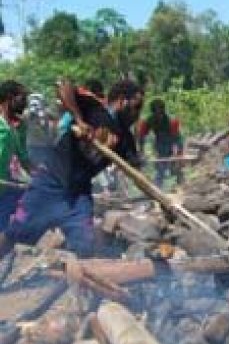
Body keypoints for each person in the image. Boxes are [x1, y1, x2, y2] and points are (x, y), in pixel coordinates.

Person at [1, 80, 144, 258]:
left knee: (84, 243)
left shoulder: (126, 140)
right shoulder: (93, 107)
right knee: (15, 234)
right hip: (49, 183)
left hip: (78, 194)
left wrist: (162, 200)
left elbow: (138, 173)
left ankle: (73, 281)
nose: (138, 114)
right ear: (123, 100)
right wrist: (79, 119)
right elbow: (63, 85)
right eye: (137, 107)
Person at [0, 81, 31, 231]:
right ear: (9, 98)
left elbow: (24, 158)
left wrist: (42, 178)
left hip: (4, 187)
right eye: (23, 99)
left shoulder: (12, 128)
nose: (25, 104)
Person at [138, 98, 184, 187]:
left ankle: (180, 183)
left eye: (160, 113)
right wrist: (141, 151)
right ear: (153, 112)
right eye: (156, 113)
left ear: (163, 111)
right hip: (160, 143)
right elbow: (141, 136)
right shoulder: (149, 120)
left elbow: (176, 138)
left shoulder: (172, 120)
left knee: (175, 165)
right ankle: (158, 186)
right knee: (161, 167)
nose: (158, 115)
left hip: (174, 140)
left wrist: (176, 152)